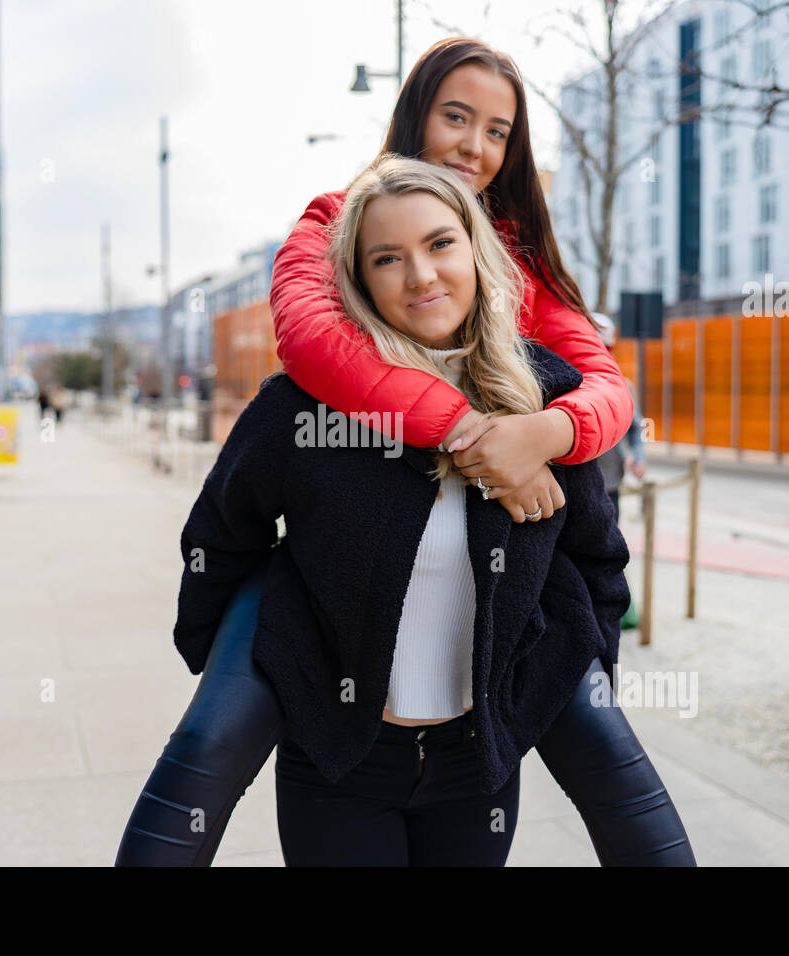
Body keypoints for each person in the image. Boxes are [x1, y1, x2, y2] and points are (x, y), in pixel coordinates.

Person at [114, 37, 692, 866]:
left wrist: (544, 432)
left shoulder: (534, 366)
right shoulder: (313, 348)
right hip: (339, 760)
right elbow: (233, 508)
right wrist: (268, 674)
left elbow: (600, 529)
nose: (475, 146)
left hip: (476, 763)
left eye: (498, 130)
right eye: (456, 117)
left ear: (481, 256)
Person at [591, 313, 646, 522]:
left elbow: (635, 428)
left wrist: (638, 457)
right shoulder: (568, 384)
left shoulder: (623, 386)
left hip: (611, 485)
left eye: (606, 349)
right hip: (572, 491)